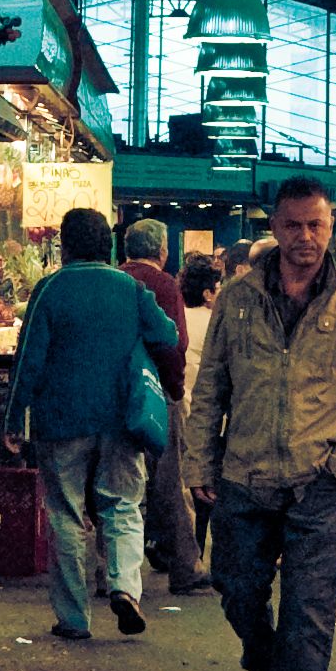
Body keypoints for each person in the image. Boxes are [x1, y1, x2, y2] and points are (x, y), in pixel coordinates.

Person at [181, 175, 336, 671]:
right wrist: (200, 461)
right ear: (273, 227)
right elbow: (211, 386)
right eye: (294, 224)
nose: (306, 236)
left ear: (331, 227)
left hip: (317, 479)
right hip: (243, 474)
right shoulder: (239, 299)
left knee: (310, 606)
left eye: (317, 224)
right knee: (237, 588)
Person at [5, 206, 178, 641]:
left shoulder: (51, 289)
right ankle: (124, 588)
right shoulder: (130, 287)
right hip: (121, 417)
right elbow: (168, 335)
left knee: (65, 514)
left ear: (65, 246)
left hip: (61, 421)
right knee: (122, 504)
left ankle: (74, 619)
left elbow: (28, 362)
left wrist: (14, 419)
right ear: (109, 244)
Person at [118, 219, 203, 595]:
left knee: (121, 487)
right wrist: (175, 390)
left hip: (117, 398)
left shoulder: (114, 279)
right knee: (171, 482)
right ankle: (186, 567)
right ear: (163, 251)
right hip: (157, 396)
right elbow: (175, 343)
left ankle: (118, 574)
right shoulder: (165, 285)